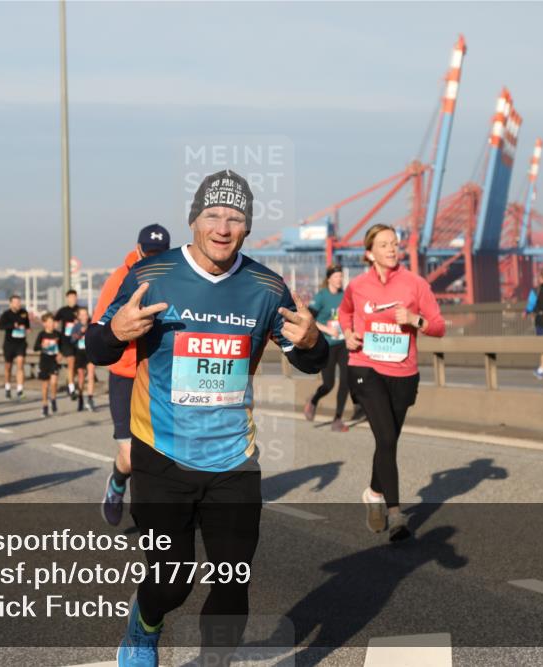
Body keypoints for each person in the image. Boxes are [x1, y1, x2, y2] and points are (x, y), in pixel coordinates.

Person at [87, 170, 327, 665]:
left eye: (235, 218)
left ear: (247, 227)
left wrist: (313, 343)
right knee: (169, 582)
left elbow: (309, 359)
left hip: (233, 458)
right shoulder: (151, 275)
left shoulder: (266, 287)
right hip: (162, 455)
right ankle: (143, 627)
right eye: (213, 215)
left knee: (233, 583)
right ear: (193, 220)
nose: (223, 227)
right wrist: (117, 332)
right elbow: (95, 346)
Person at [339, 223, 446, 542]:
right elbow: (344, 314)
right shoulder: (357, 286)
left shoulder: (415, 284)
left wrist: (415, 321)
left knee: (388, 442)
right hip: (365, 368)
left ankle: (373, 493)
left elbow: (439, 326)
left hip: (403, 374)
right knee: (385, 438)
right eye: (384, 244)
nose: (391, 248)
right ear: (369, 253)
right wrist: (347, 334)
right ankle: (396, 514)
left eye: (395, 243)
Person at [91, 223, 171, 526]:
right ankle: (116, 483)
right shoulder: (119, 280)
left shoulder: (173, 278)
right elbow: (99, 328)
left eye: (159, 254)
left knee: (162, 451)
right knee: (129, 456)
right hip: (125, 374)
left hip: (159, 374)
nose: (152, 258)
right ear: (138, 250)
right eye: (149, 253)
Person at [304, 265, 354, 432]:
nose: (340, 279)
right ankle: (314, 400)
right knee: (329, 384)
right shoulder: (321, 297)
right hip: (327, 345)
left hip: (342, 344)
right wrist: (327, 329)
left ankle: (337, 420)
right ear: (329, 279)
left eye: (341, 276)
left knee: (346, 381)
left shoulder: (344, 295)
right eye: (337, 277)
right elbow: (309, 318)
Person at [0, 294, 30, 401]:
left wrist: (27, 329)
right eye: (15, 302)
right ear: (11, 303)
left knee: (20, 364)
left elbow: (27, 325)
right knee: (8, 367)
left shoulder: (24, 313)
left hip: (21, 343)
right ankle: (7, 388)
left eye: (19, 302)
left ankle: (20, 390)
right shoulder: (6, 314)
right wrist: (12, 325)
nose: (18, 304)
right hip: (9, 344)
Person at [33, 312, 61, 417]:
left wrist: (60, 354)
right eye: (49, 322)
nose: (51, 323)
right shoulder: (41, 334)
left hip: (54, 361)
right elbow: (35, 347)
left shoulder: (57, 334)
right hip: (44, 361)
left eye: (52, 321)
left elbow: (62, 347)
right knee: (45, 385)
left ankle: (53, 399)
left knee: (54, 383)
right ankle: (44, 406)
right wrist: (42, 345)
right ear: (44, 323)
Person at [55, 289, 81, 399]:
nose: (73, 299)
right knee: (71, 362)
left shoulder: (80, 310)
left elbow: (87, 322)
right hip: (66, 342)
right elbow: (55, 324)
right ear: (67, 298)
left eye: (74, 297)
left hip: (78, 341)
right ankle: (71, 389)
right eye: (70, 297)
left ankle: (69, 382)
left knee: (75, 367)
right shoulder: (62, 311)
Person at [69, 307, 93, 412]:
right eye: (82, 315)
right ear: (78, 316)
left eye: (85, 314)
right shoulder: (76, 326)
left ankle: (90, 399)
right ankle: (80, 398)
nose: (84, 316)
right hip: (80, 353)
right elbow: (72, 340)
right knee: (81, 376)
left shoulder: (92, 325)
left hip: (90, 352)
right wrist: (80, 333)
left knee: (91, 374)